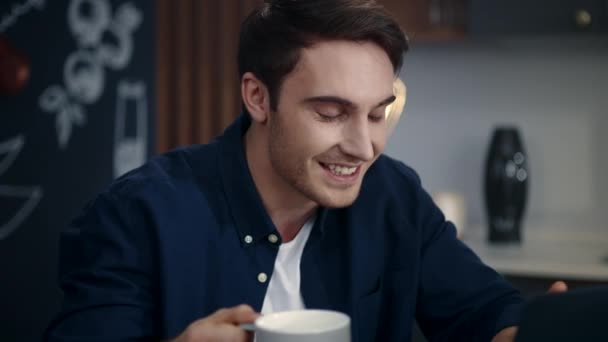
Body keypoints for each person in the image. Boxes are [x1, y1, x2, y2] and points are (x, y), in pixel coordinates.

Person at [45, 1, 566, 341]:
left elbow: (487, 315)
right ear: (257, 97)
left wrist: (545, 331)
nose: (365, 146)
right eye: (331, 113)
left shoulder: (393, 197)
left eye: (378, 112)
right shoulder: (137, 215)